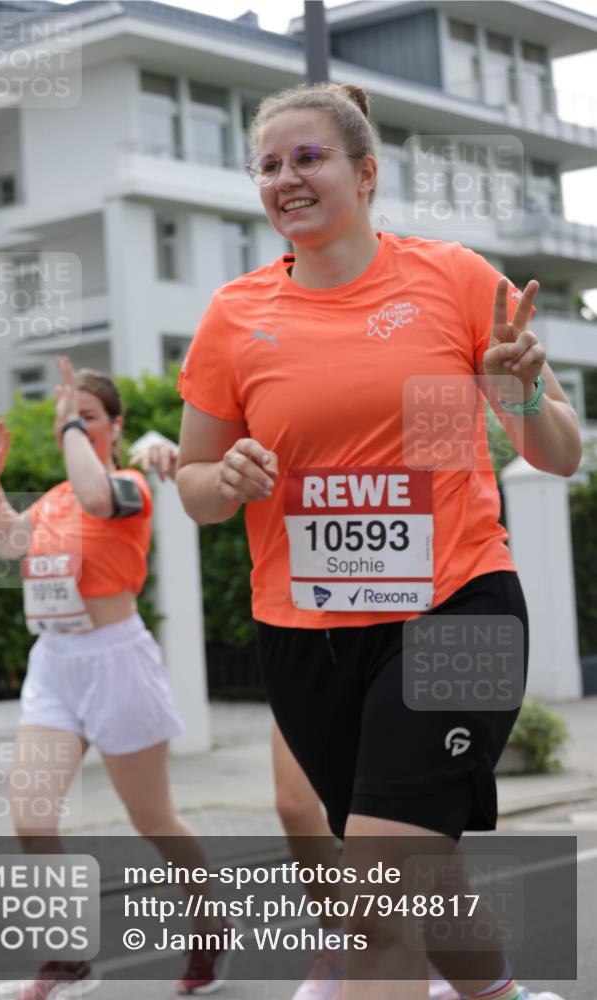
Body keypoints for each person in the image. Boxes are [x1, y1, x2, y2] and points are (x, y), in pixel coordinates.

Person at [173, 81, 581, 1000]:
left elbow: (555, 456)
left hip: (458, 608)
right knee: (414, 876)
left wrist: (515, 390)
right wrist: (223, 477)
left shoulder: (454, 279)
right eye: (268, 164)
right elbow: (197, 491)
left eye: (308, 157)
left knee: (375, 888)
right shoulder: (233, 317)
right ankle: (498, 995)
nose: (286, 178)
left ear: (365, 172)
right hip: (307, 635)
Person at [133, 435, 459, 1000]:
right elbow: (205, 465)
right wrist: (197, 466)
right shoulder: (247, 356)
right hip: (312, 632)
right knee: (293, 802)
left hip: (407, 620)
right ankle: (340, 939)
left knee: (405, 814)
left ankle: (431, 950)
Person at [0, 358, 237, 999]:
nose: (73, 426)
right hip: (55, 666)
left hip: (117, 662)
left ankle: (211, 925)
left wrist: (70, 426)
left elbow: (96, 496)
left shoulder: (128, 487)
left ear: (114, 427)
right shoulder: (56, 497)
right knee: (31, 819)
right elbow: (9, 542)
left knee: (154, 818)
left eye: (88, 418)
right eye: (69, 416)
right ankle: (66, 959)